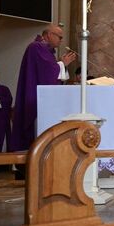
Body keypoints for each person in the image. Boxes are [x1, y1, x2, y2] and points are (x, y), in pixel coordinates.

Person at [10, 25, 77, 156]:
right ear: (48, 35)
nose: (61, 40)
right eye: (59, 37)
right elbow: (48, 73)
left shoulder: (45, 50)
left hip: (40, 96)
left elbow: (49, 71)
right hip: (34, 97)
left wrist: (61, 64)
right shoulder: (37, 47)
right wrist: (63, 64)